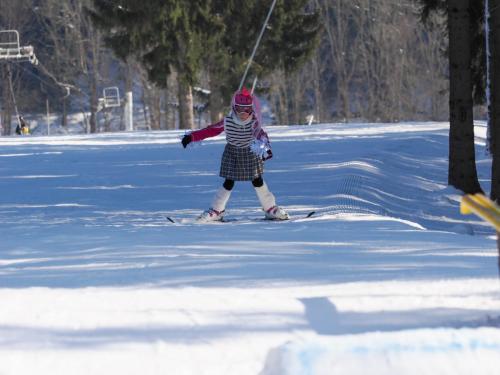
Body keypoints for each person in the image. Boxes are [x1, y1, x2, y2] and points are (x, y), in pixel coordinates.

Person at [181, 87, 289, 222]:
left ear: (251, 109)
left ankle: (270, 209)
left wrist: (266, 149)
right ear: (234, 107)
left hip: (250, 153)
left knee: (257, 180)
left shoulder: (254, 123)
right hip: (232, 154)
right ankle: (216, 210)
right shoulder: (228, 121)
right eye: (239, 109)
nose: (243, 113)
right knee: (228, 182)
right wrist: (192, 137)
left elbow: (262, 137)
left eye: (247, 109)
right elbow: (210, 130)